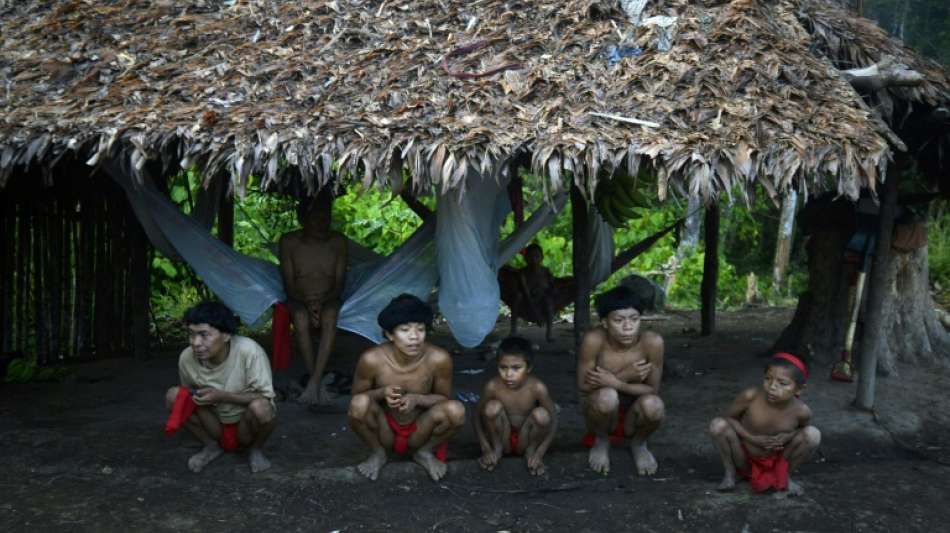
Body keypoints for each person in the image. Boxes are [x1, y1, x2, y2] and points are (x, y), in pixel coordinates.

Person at [347, 294, 466, 481]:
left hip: (420, 430)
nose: (414, 337)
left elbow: (444, 399)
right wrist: (382, 392)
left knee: (456, 410)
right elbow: (356, 400)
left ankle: (425, 453)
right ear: (389, 334)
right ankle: (378, 453)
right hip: (384, 429)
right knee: (359, 404)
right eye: (405, 330)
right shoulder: (371, 360)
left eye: (421, 329)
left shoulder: (438, 358)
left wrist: (417, 399)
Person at [164, 302, 277, 473]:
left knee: (261, 407)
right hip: (214, 422)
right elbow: (187, 397)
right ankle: (210, 445)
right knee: (174, 396)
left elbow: (265, 397)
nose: (195, 343)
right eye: (192, 335)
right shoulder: (187, 357)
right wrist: (198, 395)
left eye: (204, 335)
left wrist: (222, 396)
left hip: (245, 426)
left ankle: (256, 449)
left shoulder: (249, 351)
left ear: (226, 335)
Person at [577, 285, 665, 476]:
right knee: (607, 397)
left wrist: (618, 383)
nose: (628, 327)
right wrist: (626, 375)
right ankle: (601, 440)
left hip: (634, 412)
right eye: (618, 320)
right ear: (605, 323)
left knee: (655, 405)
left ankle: (639, 443)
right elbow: (584, 386)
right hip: (600, 411)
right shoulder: (594, 340)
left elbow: (652, 391)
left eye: (634, 319)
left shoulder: (652, 343)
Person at [708, 353, 821, 496]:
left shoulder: (802, 411)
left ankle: (784, 476)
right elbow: (729, 419)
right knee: (717, 425)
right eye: (768, 379)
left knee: (813, 434)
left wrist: (787, 436)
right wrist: (752, 438)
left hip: (777, 462)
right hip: (744, 458)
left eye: (782, 383)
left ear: (799, 389)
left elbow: (801, 430)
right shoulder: (751, 396)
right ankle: (731, 473)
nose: (772, 386)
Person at [278, 192, 347, 405]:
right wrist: (307, 303)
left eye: (326, 217)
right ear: (302, 220)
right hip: (298, 298)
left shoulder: (338, 242)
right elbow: (289, 283)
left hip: (329, 298)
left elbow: (339, 282)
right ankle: (314, 377)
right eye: (316, 218)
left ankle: (314, 382)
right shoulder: (289, 242)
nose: (323, 223)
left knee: (330, 315)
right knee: (299, 318)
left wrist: (323, 301)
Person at [474, 336, 558, 475]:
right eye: (503, 368)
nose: (508, 374)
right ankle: (497, 449)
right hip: (502, 437)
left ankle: (531, 452)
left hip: (526, 440)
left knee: (542, 415)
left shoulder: (537, 388)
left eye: (516, 368)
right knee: (491, 407)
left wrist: (540, 452)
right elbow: (476, 415)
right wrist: (486, 447)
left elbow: (553, 419)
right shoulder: (493, 386)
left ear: (529, 367)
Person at [510, 244, 556, 342]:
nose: (534, 259)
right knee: (517, 297)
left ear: (542, 258)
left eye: (537, 256)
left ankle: (550, 332)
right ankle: (513, 330)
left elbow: (553, 286)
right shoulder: (522, 272)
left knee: (549, 302)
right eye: (530, 257)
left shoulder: (546, 271)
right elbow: (523, 291)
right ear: (525, 259)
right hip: (526, 301)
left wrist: (545, 290)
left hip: (543, 298)